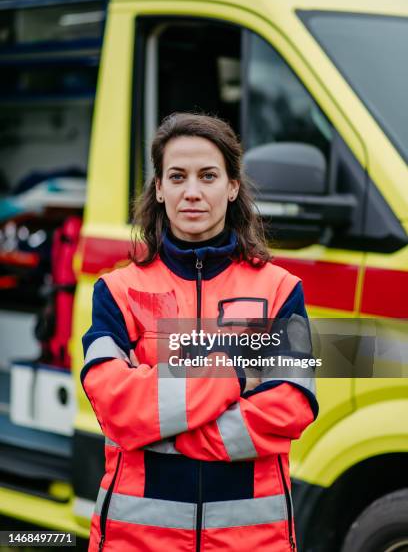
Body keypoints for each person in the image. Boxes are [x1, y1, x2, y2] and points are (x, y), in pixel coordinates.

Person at [81, 113, 319, 552]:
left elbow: (291, 405)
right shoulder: (117, 292)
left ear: (231, 187)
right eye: (177, 176)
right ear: (159, 188)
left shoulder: (280, 290)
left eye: (208, 176)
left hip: (251, 542)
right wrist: (233, 375)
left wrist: (164, 427)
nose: (192, 192)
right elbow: (114, 405)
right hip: (137, 540)